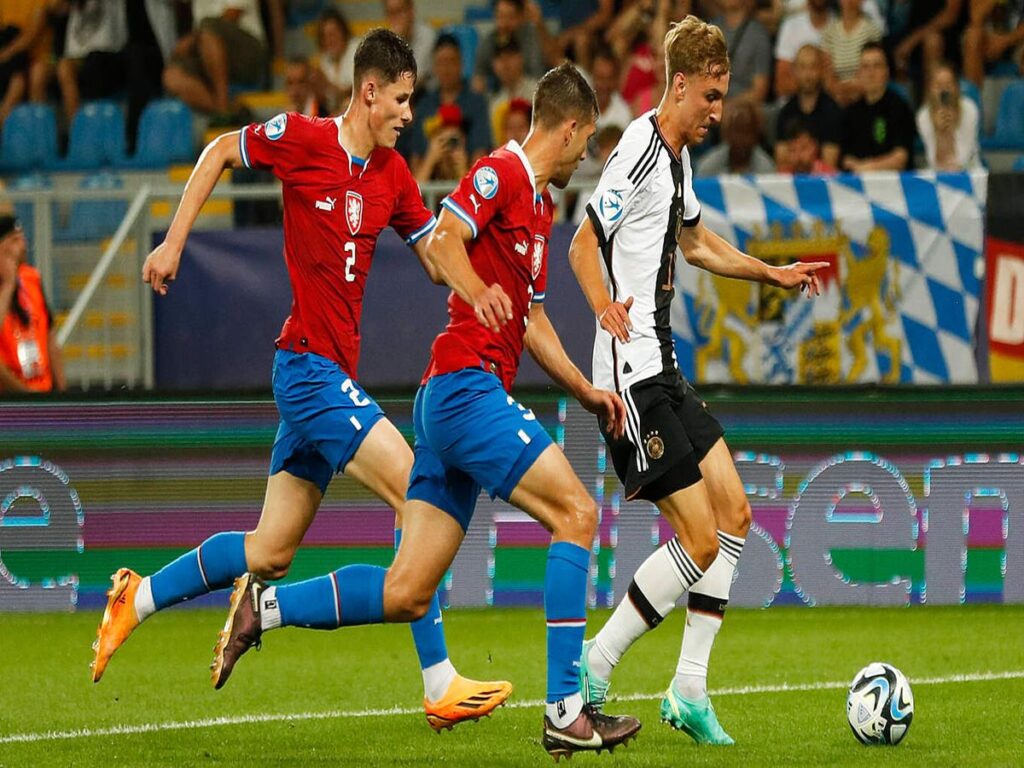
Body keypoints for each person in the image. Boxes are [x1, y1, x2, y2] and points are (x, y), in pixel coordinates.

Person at [210, 62, 643, 760]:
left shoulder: (538, 210)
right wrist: (475, 289)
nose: (585, 155)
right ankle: (566, 709)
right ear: (568, 129)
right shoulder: (499, 172)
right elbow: (443, 239)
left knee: (409, 590)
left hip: (455, 399)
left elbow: (532, 322)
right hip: (466, 389)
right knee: (577, 514)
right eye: (587, 140)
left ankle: (265, 608)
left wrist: (585, 391)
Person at [89, 28, 512, 732]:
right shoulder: (303, 139)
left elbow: (435, 257)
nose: (409, 113)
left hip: (328, 376)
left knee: (270, 549)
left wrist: (478, 276)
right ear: (369, 92)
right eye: (401, 99)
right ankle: (438, 680)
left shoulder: (393, 175)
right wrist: (173, 242)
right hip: (307, 369)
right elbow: (220, 151)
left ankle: (138, 598)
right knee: (417, 495)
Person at [567, 15, 827, 746]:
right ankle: (594, 665)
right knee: (701, 539)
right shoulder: (637, 151)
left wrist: (771, 272)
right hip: (630, 376)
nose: (719, 109)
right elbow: (583, 243)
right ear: (678, 84)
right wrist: (604, 306)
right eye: (711, 95)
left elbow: (696, 242)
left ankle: (687, 689)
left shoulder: (678, 161)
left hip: (665, 368)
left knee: (735, 515)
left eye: (723, 96)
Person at [162, 0, 269, 120]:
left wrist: (192, 39)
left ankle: (223, 104)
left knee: (208, 27)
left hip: (249, 52)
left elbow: (232, 15)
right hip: (206, 50)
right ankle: (224, 110)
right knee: (172, 75)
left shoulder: (207, 27)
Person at [406, 34, 492, 175]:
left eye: (451, 61)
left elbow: (480, 158)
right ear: (434, 66)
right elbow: (415, 164)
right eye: (441, 62)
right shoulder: (424, 106)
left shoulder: (476, 103)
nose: (446, 68)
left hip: (466, 176)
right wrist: (432, 157)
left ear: (461, 63)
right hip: (430, 183)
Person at [0, 215, 66, 394]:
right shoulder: (6, 288)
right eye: (15, 240)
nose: (23, 246)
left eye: (23, 238)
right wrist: (7, 285)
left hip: (42, 392)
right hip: (9, 398)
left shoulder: (31, 278)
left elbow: (50, 335)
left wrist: (63, 393)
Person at [840, 42, 916, 171]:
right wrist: (858, 167)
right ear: (859, 73)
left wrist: (868, 167)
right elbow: (845, 159)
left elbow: (901, 157)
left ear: (886, 71)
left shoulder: (899, 107)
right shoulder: (851, 112)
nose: (871, 73)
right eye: (865, 67)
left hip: (893, 181)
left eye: (877, 66)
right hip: (858, 180)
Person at [775, 44, 842, 170]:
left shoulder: (833, 111)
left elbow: (830, 164)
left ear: (821, 70)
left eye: (813, 67)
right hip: (791, 179)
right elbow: (781, 162)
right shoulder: (786, 113)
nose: (807, 74)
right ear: (794, 70)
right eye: (802, 67)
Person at [915, 62, 980, 171]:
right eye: (938, 86)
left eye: (948, 85)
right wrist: (939, 133)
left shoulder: (970, 109)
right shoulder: (923, 116)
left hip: (969, 170)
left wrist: (951, 131)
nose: (943, 91)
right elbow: (934, 160)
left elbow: (964, 157)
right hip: (937, 171)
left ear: (957, 87)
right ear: (930, 89)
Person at [472, 0, 546, 93]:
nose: (503, 24)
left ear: (521, 17)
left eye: (510, 17)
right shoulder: (489, 42)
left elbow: (538, 77)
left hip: (532, 93)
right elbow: (478, 80)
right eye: (500, 17)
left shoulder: (533, 38)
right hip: (500, 97)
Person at [821, 0, 883, 106]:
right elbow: (826, 73)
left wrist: (853, 92)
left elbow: (872, 69)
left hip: (864, 96)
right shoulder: (829, 32)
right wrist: (838, 92)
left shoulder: (871, 31)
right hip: (835, 97)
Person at [695, 97, 775, 176]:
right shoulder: (709, 167)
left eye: (746, 132)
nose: (741, 138)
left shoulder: (766, 171)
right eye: (737, 131)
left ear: (756, 134)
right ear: (726, 133)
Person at [712, 0, 772, 104]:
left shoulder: (758, 34)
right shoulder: (710, 30)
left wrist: (727, 105)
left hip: (743, 107)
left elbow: (759, 90)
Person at [774, 0, 834, 98]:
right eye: (803, 66)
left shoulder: (839, 26)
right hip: (792, 102)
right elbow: (782, 84)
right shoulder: (791, 26)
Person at [962, 0, 1024, 88]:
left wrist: (1004, 42)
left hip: (1017, 40)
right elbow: (976, 17)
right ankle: (972, 95)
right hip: (990, 41)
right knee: (973, 37)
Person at [310, 7, 359, 114]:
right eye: (325, 36)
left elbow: (356, 92)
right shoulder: (325, 60)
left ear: (343, 32)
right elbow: (329, 103)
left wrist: (327, 85)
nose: (330, 40)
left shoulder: (358, 50)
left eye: (333, 34)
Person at [382, 0, 435, 86]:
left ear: (411, 11)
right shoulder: (387, 40)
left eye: (399, 11)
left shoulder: (427, 36)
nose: (395, 18)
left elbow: (414, 81)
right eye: (391, 13)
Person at [590, 47, 633, 133]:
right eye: (600, 78)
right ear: (592, 76)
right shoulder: (579, 107)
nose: (604, 85)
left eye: (609, 79)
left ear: (615, 80)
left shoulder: (624, 114)